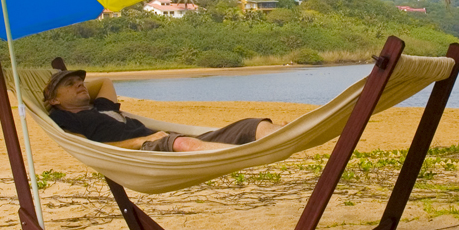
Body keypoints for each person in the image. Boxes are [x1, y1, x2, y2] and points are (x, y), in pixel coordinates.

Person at [43, 69, 283, 152]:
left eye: (81, 82)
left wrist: (78, 91)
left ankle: (287, 137)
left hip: (169, 140)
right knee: (184, 145)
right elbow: (86, 148)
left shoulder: (101, 106)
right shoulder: (63, 116)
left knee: (254, 125)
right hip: (147, 149)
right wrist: (141, 141)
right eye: (70, 84)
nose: (80, 85)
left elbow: (104, 81)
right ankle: (248, 154)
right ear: (54, 100)